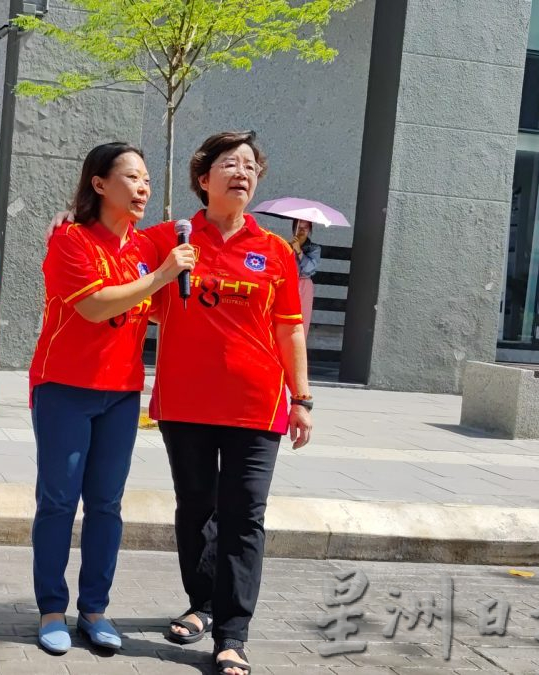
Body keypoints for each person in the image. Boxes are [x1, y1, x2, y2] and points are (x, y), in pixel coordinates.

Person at [143, 132, 313, 675]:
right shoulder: (171, 237)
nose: (241, 173)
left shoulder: (277, 251)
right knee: (196, 510)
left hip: (258, 407)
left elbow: (290, 332)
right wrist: (66, 222)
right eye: (228, 164)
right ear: (203, 178)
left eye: (249, 166)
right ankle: (201, 602)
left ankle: (231, 634)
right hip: (185, 403)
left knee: (244, 519)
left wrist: (301, 399)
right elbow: (112, 246)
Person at [29, 142, 195, 656]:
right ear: (99, 184)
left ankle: (95, 610)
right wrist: (163, 275)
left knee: (107, 504)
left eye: (147, 179)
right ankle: (52, 609)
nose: (143, 188)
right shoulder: (72, 242)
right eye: (132, 177)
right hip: (64, 387)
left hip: (121, 393)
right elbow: (96, 308)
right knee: (58, 502)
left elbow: (207, 226)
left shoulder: (148, 244)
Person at [290, 219, 320, 335]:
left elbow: (309, 269)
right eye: (299, 227)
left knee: (302, 320)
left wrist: (298, 251)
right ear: (294, 228)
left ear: (310, 229)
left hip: (304, 285)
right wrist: (290, 249)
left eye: (305, 227)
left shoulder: (314, 248)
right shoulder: (286, 245)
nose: (302, 230)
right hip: (289, 283)